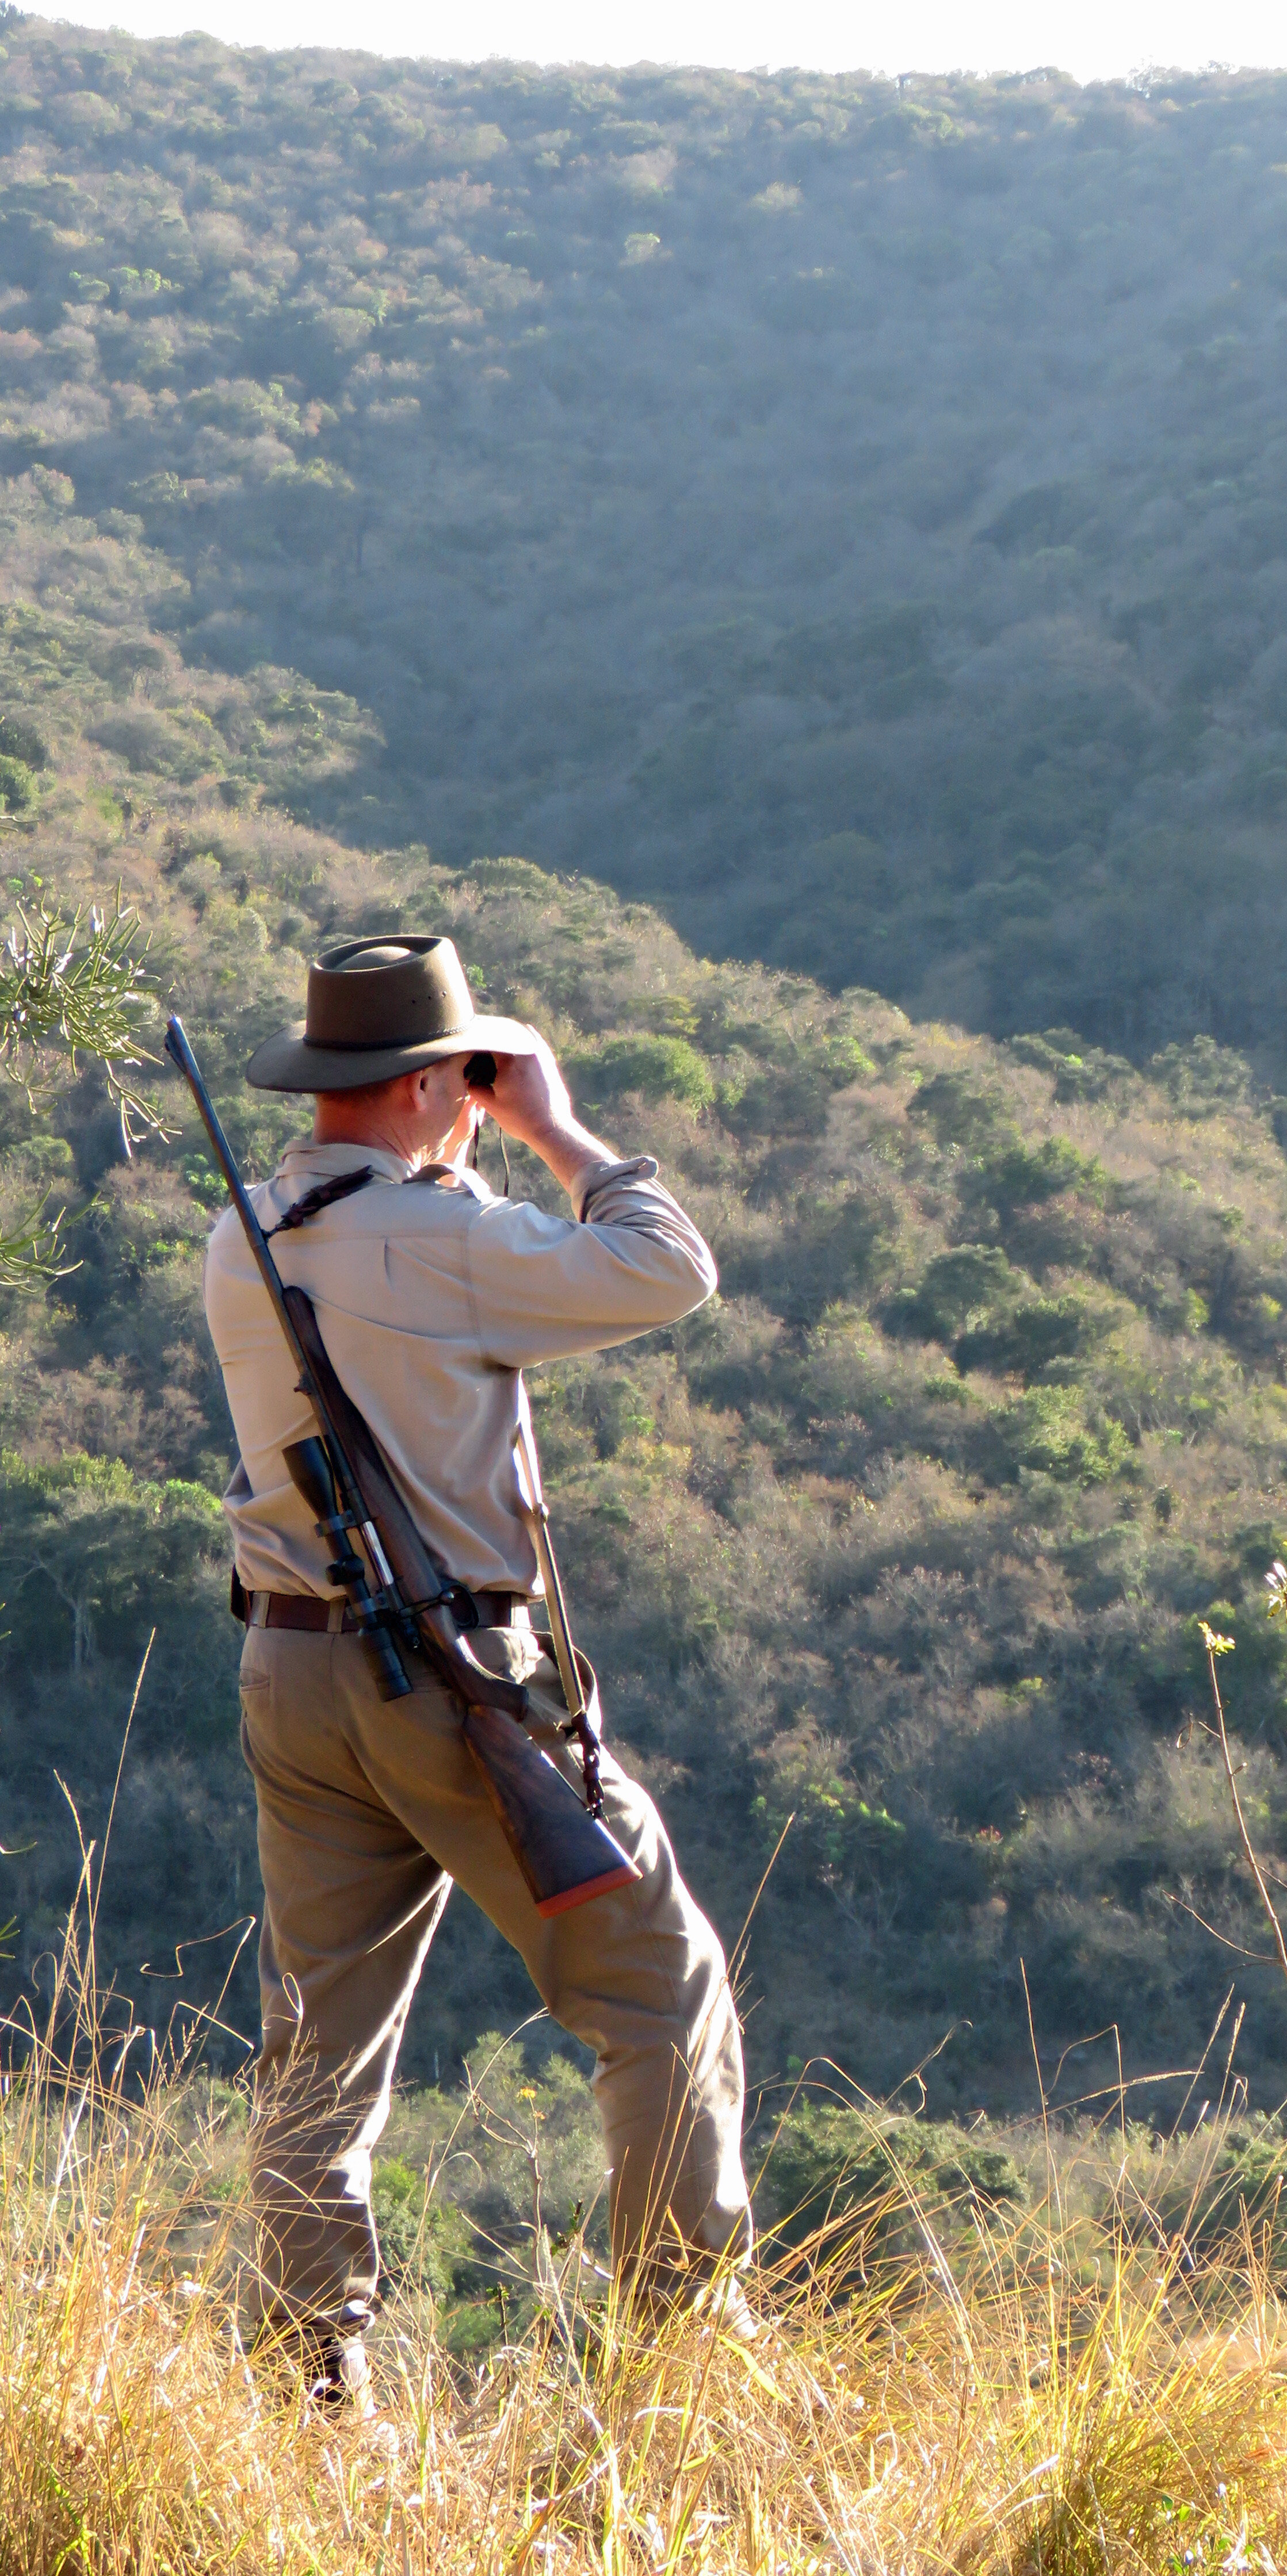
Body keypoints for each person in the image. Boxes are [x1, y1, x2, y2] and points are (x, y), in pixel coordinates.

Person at [201, 934, 751, 2412]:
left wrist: (453, 1156)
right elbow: (669, 1268)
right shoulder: (444, 1242)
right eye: (471, 1076)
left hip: (292, 1671)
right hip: (455, 1682)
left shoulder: (244, 1230)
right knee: (660, 1989)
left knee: (320, 2044)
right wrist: (557, 1130)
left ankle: (313, 2384)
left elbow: (401, 1295)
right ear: (436, 1079)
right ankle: (684, 2351)